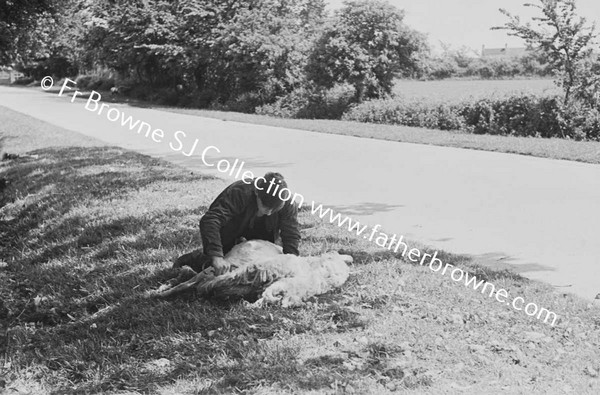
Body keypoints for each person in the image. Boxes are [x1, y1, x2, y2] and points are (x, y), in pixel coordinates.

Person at [173, 172, 301, 275]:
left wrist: (291, 261)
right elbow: (211, 220)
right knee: (220, 267)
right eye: (266, 207)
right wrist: (216, 256)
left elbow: (291, 233)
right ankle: (196, 257)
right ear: (257, 193)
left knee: (261, 266)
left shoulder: (288, 202)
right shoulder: (240, 192)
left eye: (275, 209)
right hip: (234, 228)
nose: (269, 213)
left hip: (264, 233)